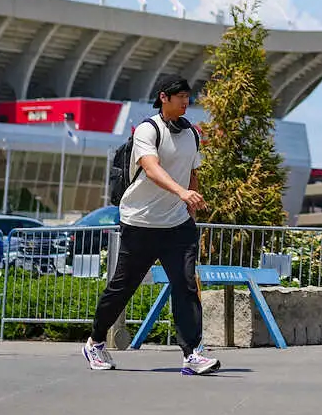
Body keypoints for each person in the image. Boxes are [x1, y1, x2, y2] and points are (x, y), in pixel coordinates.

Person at [82, 76, 219, 376]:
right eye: (180, 96)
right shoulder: (149, 129)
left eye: (188, 96)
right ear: (163, 97)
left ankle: (192, 353)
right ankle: (95, 342)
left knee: (184, 285)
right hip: (140, 222)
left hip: (177, 225)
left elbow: (192, 173)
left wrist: (190, 208)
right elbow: (151, 167)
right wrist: (181, 192)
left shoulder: (192, 134)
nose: (186, 101)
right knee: (122, 287)